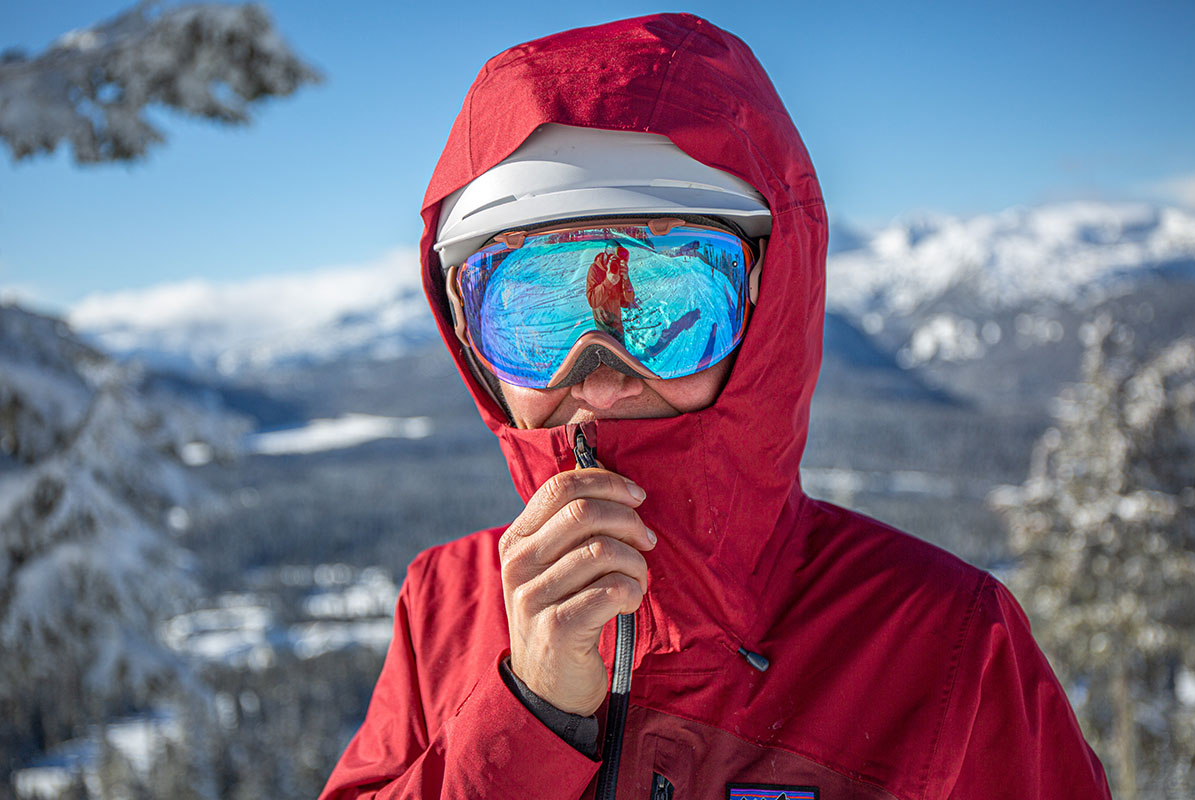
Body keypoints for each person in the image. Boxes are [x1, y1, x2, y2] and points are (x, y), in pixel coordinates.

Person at [320, 13, 1111, 799]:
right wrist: (528, 718)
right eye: (534, 316)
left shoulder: (949, 648)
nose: (598, 379)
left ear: (766, 308)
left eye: (667, 302)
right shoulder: (442, 606)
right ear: (469, 338)